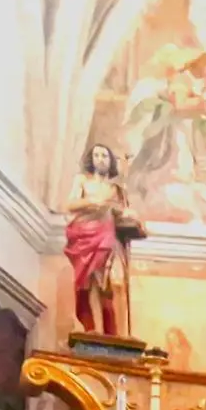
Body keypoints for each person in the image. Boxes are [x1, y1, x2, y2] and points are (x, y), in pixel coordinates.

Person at [64, 143, 133, 337]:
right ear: (91, 160)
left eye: (104, 155)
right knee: (90, 283)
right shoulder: (82, 181)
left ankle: (114, 333)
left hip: (108, 235)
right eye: (97, 155)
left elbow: (121, 212)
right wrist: (93, 202)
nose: (101, 159)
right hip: (86, 234)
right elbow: (70, 204)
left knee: (113, 283)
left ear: (111, 160)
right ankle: (92, 329)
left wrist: (127, 214)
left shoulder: (116, 189)